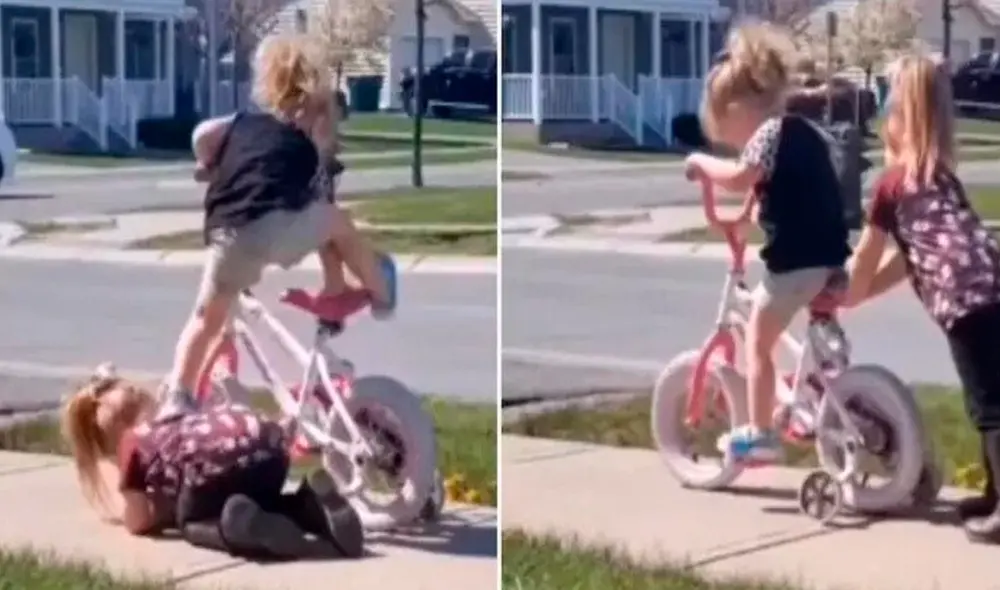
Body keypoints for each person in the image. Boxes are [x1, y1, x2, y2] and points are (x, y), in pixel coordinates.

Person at [161, 32, 396, 420]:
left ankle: (178, 396)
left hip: (227, 234)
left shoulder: (239, 123)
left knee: (204, 320)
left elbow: (201, 134)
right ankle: (380, 289)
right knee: (337, 221)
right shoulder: (308, 136)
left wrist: (209, 163)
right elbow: (322, 193)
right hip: (277, 227)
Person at [843, 54, 1000, 544]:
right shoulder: (938, 178)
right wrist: (860, 295)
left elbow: (869, 257)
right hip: (992, 290)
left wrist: (841, 292)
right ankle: (994, 496)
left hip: (967, 305)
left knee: (991, 409)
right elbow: (909, 258)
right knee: (992, 401)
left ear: (897, 118)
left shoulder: (893, 186)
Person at [684, 22, 852, 463]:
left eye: (729, 131)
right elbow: (789, 192)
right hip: (830, 258)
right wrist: (755, 212)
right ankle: (815, 399)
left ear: (741, 107)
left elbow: (741, 177)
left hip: (796, 263)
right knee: (785, 322)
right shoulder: (804, 133)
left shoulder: (769, 133)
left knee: (757, 341)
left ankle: (759, 434)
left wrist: (702, 163)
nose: (733, 143)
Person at [61, 363, 365, 559]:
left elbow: (139, 520)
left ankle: (239, 526)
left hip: (219, 477)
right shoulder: (185, 417)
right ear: (142, 395)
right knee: (273, 495)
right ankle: (310, 503)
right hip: (271, 453)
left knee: (191, 520)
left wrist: (152, 511)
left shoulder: (133, 444)